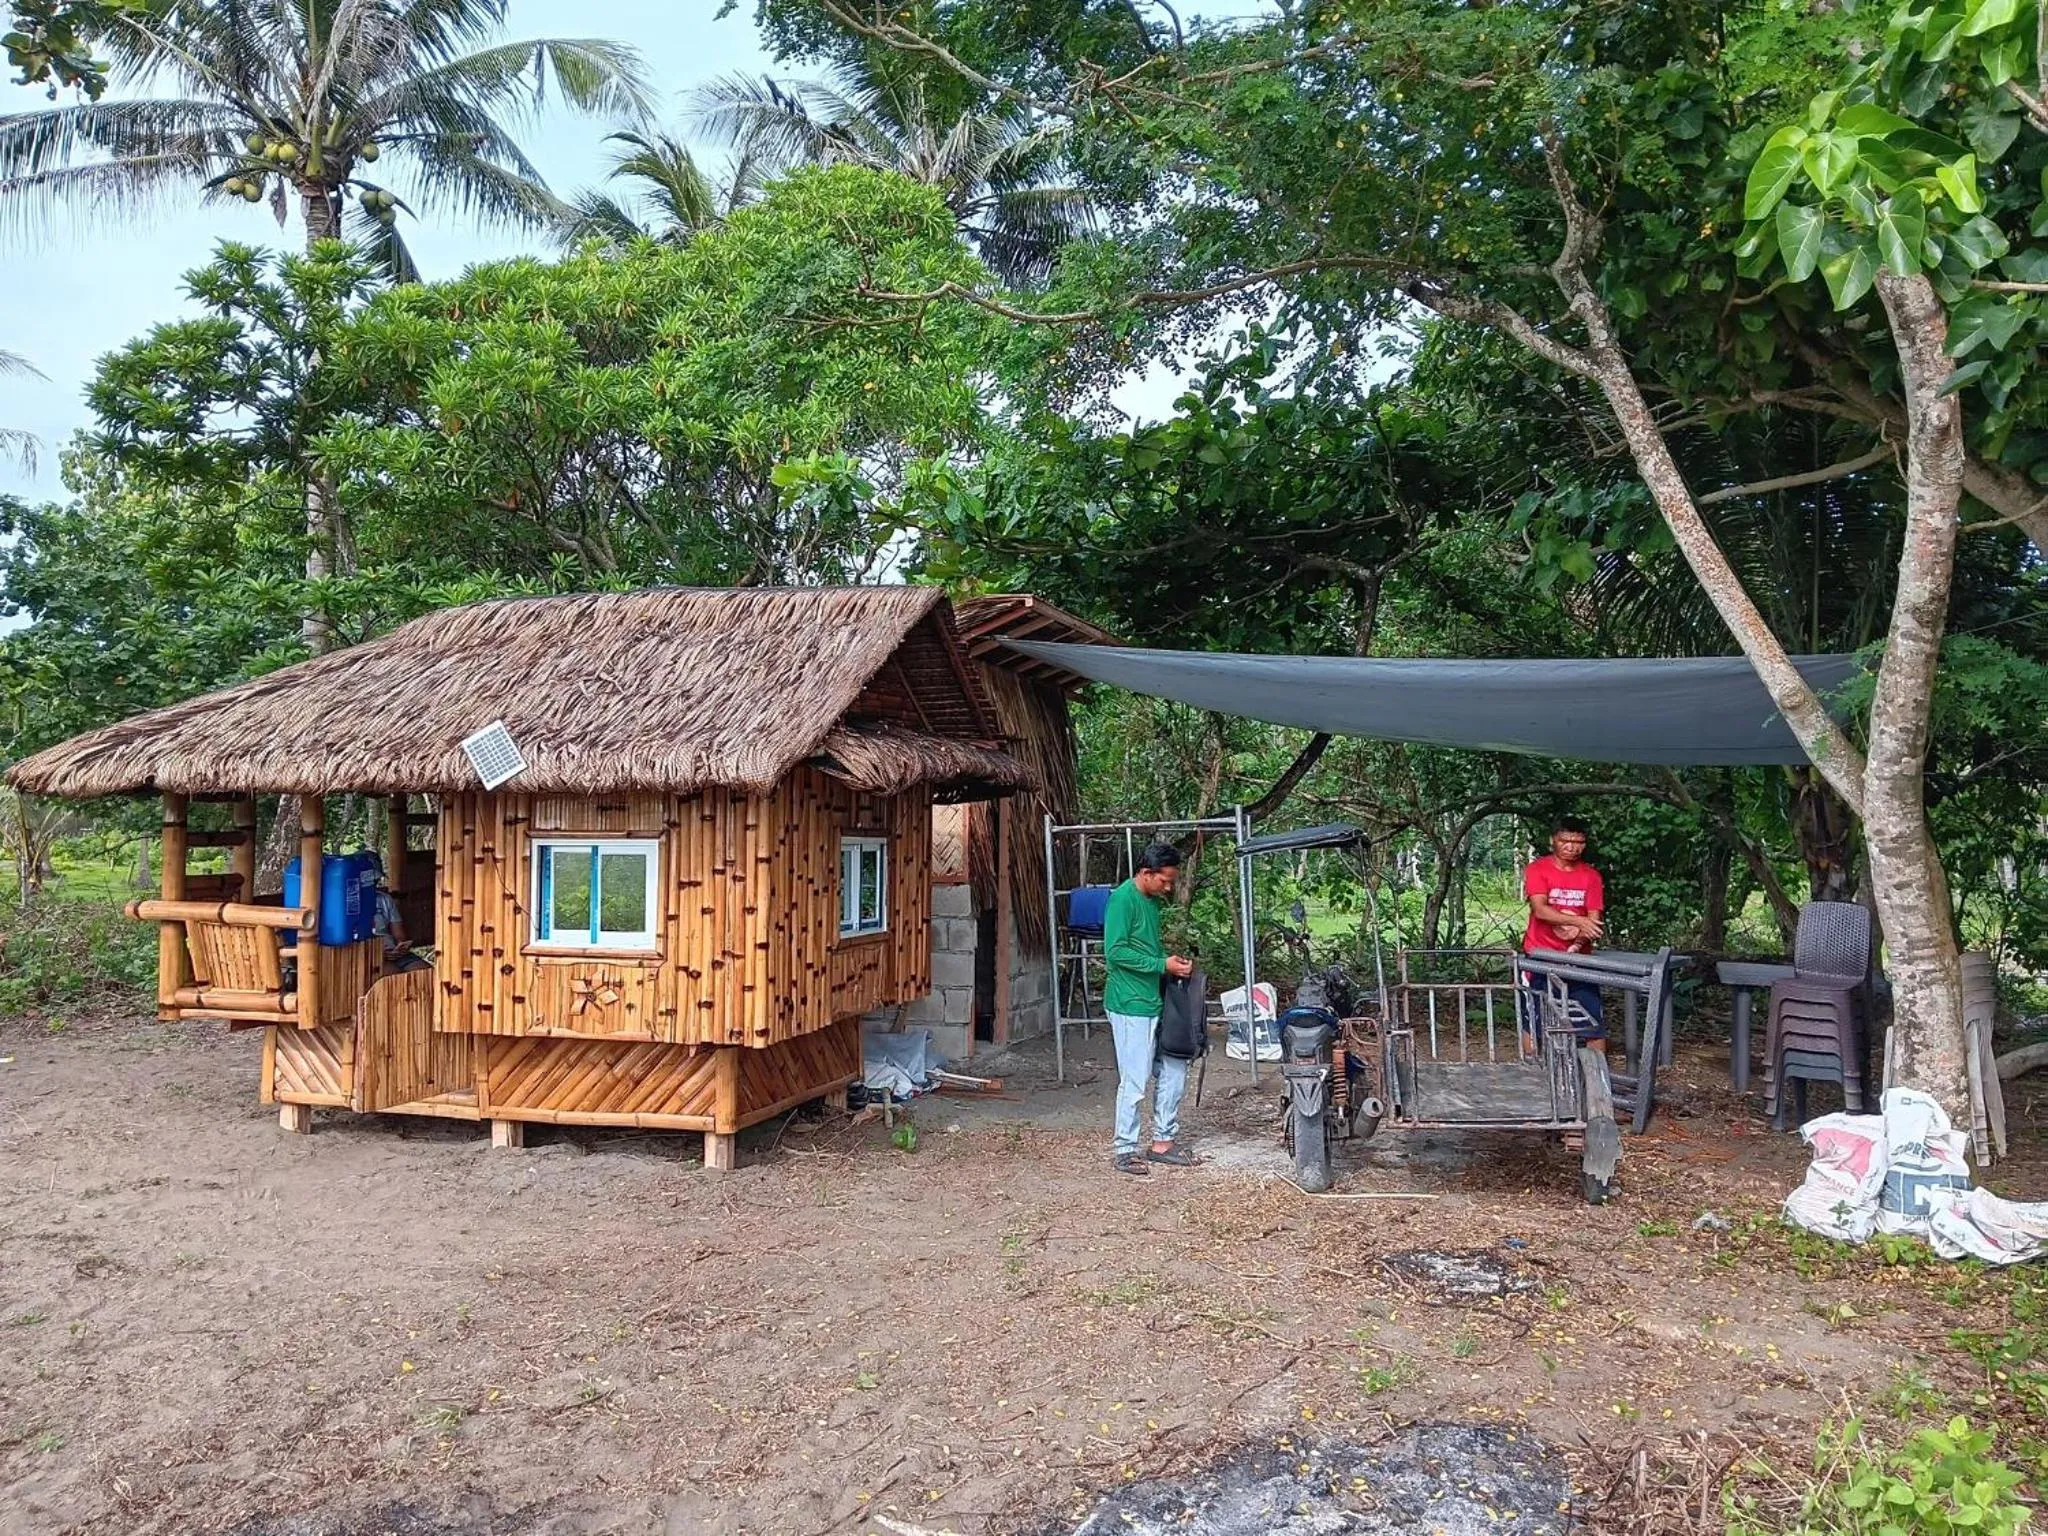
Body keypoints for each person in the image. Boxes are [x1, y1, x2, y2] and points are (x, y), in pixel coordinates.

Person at [1102, 841, 1198, 1176]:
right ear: (1146, 873)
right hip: (1130, 1003)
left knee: (1174, 1067)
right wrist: (1161, 964)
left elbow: (1147, 949)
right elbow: (1115, 952)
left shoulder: (1151, 902)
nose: (1168, 887)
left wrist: (1170, 965)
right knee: (1135, 1078)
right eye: (1164, 880)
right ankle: (1124, 1149)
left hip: (1154, 998)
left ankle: (1162, 1142)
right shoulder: (1122, 899)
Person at [1521, 817, 1606, 1053]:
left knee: (1593, 1024)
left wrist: (1578, 943)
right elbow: (1540, 910)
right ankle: (1534, 1069)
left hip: (1578, 960)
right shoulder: (1538, 869)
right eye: (1565, 841)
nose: (1572, 847)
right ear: (1553, 841)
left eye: (1578, 842)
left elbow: (1594, 921)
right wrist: (1578, 921)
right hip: (1540, 957)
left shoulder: (1591, 876)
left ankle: (1598, 1073)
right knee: (1534, 1022)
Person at [366, 852, 429, 974]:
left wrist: (400, 946)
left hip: (393, 952)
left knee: (426, 973)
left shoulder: (385, 899)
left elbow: (399, 933)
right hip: (369, 955)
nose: (374, 882)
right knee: (395, 977)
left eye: (376, 879)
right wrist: (378, 952)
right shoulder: (347, 903)